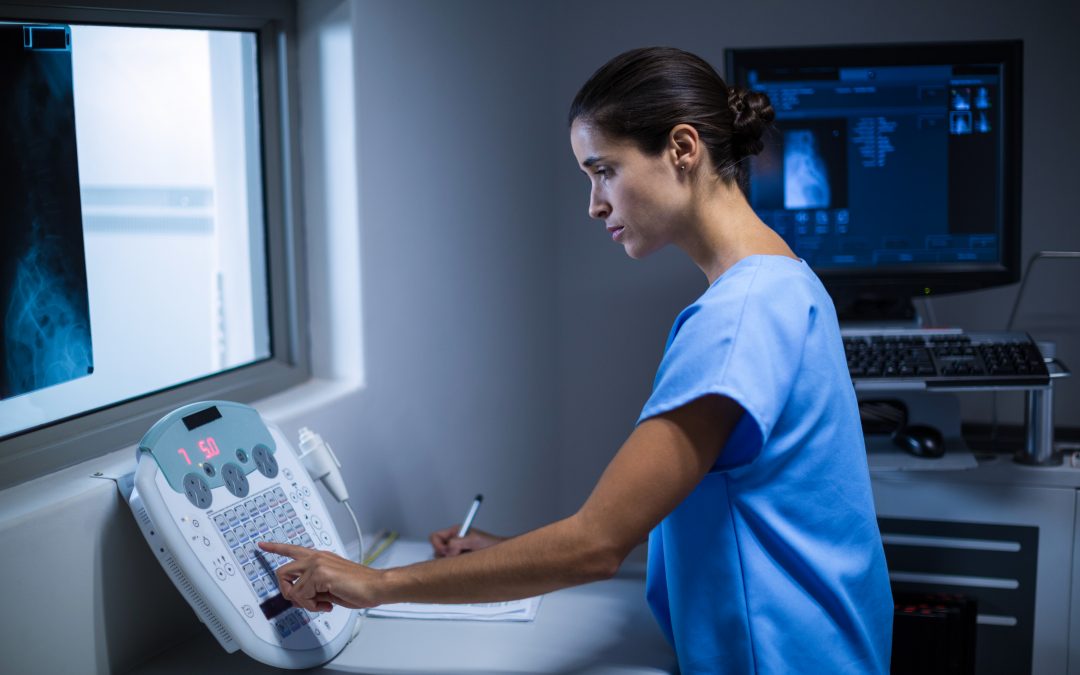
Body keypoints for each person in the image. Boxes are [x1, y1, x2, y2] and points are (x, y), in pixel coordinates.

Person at [261, 46, 893, 674]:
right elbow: (709, 510)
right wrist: (504, 554)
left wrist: (376, 584)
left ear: (681, 148)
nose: (594, 203)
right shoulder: (788, 282)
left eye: (604, 171)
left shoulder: (738, 317)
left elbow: (596, 545)